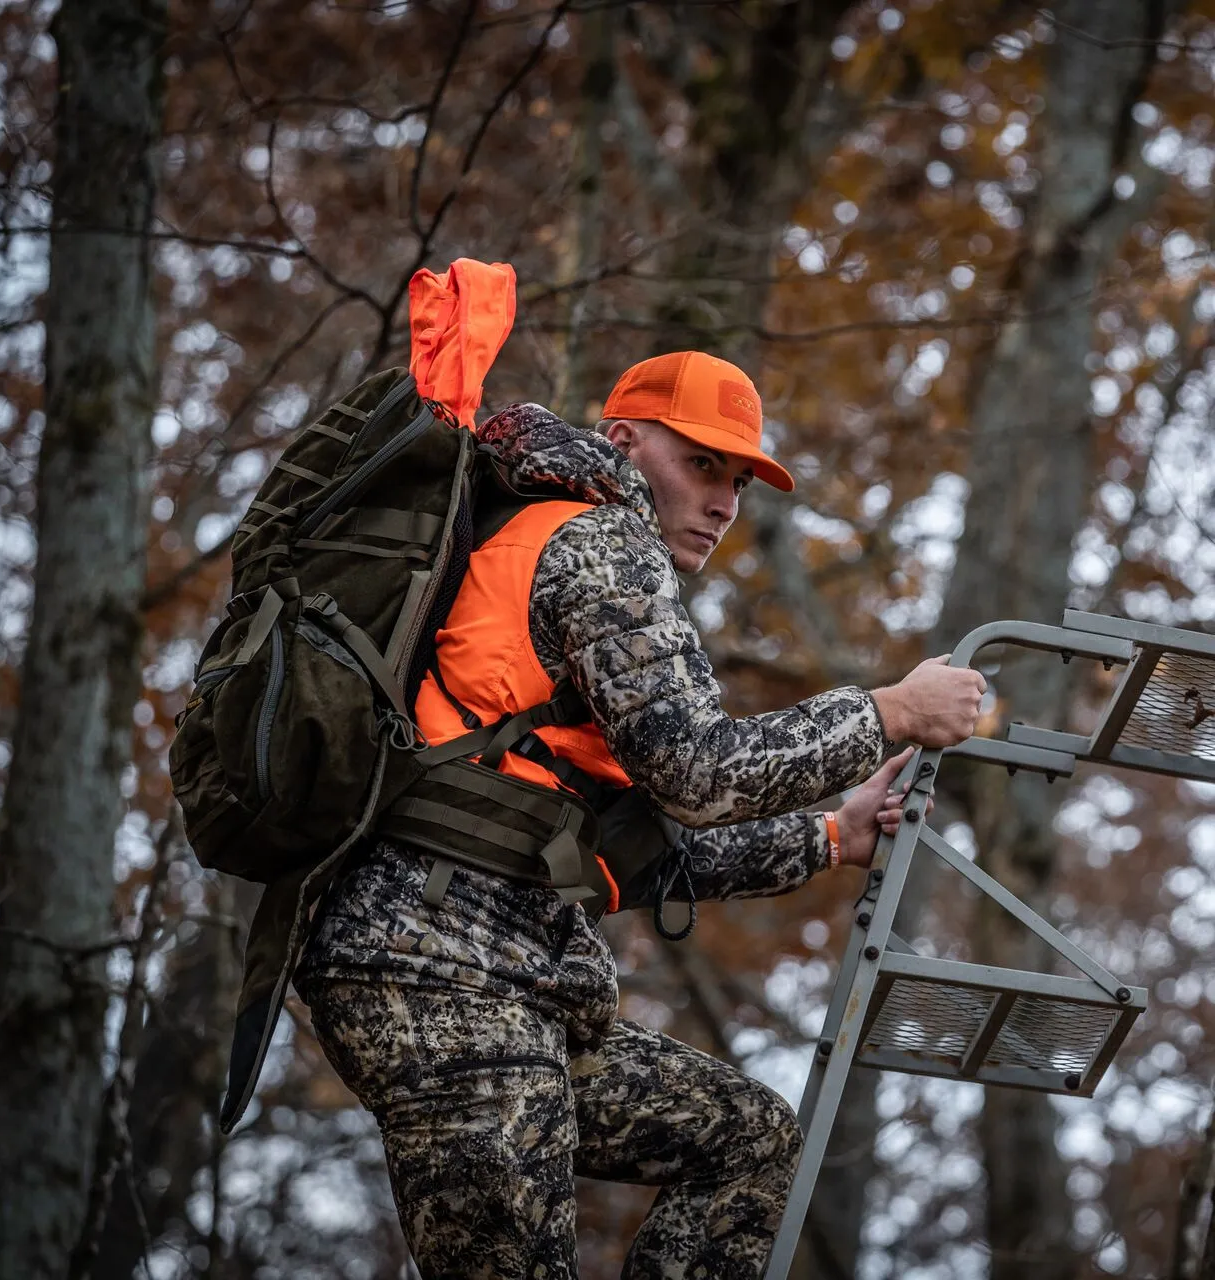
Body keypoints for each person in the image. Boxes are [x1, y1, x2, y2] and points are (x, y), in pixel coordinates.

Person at [295, 351, 984, 1279]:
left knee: (747, 1140)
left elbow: (633, 848)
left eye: (737, 480)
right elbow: (699, 774)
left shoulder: (558, 551)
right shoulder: (600, 544)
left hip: (501, 979)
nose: (726, 502)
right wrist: (889, 712)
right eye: (703, 465)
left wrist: (830, 838)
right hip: (439, 976)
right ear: (622, 442)